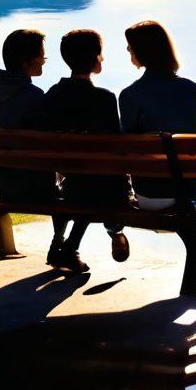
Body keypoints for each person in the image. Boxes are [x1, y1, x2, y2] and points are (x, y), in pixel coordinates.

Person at [39, 29, 132, 273]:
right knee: (103, 186)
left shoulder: (52, 96)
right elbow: (116, 148)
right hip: (104, 189)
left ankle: (60, 245)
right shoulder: (104, 98)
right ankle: (87, 241)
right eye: (100, 54)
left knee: (85, 184)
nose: (102, 59)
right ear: (94, 59)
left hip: (69, 186)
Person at [0, 28, 67, 266]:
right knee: (72, 192)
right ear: (28, 62)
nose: (45, 63)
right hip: (37, 188)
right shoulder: (36, 97)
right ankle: (60, 244)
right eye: (42, 58)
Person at [119, 20, 196, 207]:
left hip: (148, 196)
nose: (128, 51)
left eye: (130, 47)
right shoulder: (189, 88)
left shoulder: (129, 95)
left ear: (141, 51)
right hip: (186, 194)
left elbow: (128, 149)